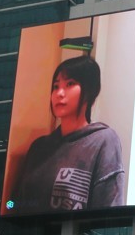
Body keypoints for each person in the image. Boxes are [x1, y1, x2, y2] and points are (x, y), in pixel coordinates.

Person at [10, 56, 124, 215]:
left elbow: (109, 208)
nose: (59, 93)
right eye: (56, 86)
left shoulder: (103, 140)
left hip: (75, 231)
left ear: (90, 90)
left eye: (70, 84)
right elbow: (13, 204)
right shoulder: (39, 147)